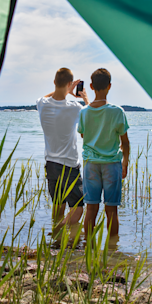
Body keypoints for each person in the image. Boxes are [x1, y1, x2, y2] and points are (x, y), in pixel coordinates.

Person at [77, 68, 129, 238]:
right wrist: (125, 163)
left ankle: (89, 248)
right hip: (112, 165)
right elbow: (125, 142)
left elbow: (84, 135)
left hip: (91, 165)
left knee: (91, 209)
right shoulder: (117, 112)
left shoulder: (84, 112)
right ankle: (112, 251)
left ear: (91, 86)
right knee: (111, 210)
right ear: (110, 86)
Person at [37, 68, 89, 232]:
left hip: (51, 164)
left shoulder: (41, 104)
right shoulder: (75, 107)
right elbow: (91, 114)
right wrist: (84, 97)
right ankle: (58, 232)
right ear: (69, 84)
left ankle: (56, 241)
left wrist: (64, 89)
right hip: (69, 165)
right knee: (78, 207)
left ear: (54, 83)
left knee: (58, 204)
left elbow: (45, 97)